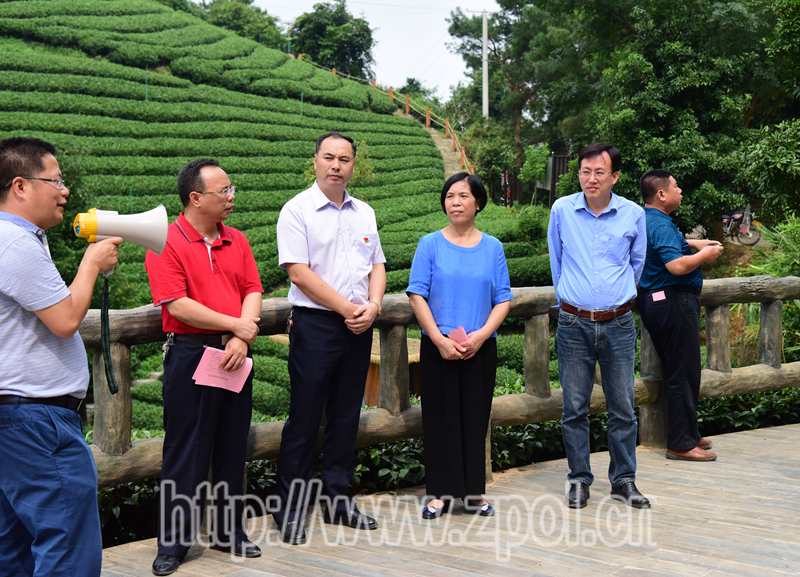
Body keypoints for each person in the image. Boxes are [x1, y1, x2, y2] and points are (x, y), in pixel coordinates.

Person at [0, 137, 121, 577]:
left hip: (16, 419)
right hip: (36, 422)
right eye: (56, 180)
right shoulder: (15, 244)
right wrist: (90, 265)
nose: (65, 190)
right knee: (68, 548)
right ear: (20, 186)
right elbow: (66, 319)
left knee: (12, 549)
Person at [145, 159, 264, 576]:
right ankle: (173, 544)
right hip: (192, 353)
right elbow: (178, 305)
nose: (231, 197)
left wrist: (241, 336)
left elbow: (252, 289)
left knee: (232, 446)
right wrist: (236, 325)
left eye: (231, 189)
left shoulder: (237, 239)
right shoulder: (165, 241)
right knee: (186, 450)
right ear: (195, 198)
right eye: (223, 191)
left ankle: (229, 532)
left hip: (235, 353)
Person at [274, 132, 386, 544]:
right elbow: (298, 272)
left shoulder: (365, 212)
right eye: (328, 157)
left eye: (344, 159)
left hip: (358, 326)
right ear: (316, 161)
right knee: (304, 418)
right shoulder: (296, 210)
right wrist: (348, 309)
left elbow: (377, 265)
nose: (336, 165)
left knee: (345, 416)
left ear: (354, 164)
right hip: (316, 326)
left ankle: (339, 500)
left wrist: (374, 305)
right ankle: (290, 508)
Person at [547, 142, 651, 509]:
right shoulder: (562, 210)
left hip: (618, 323)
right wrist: (571, 299)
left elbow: (637, 264)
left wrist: (615, 297)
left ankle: (624, 480)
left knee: (623, 407)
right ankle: (579, 479)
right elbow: (557, 261)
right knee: (574, 408)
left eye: (599, 172)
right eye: (585, 172)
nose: (591, 179)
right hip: (573, 322)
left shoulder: (633, 214)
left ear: (615, 177)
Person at [407, 173, 513, 519]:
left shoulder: (493, 247)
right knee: (439, 420)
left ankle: (473, 493)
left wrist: (481, 336)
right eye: (450, 195)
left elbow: (503, 299)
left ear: (478, 203)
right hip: (438, 347)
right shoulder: (429, 244)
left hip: (479, 348)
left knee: (475, 419)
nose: (455, 202)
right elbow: (417, 294)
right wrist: (438, 339)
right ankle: (438, 494)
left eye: (463, 196)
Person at [638, 169, 722, 462]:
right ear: (661, 194)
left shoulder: (649, 219)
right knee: (683, 372)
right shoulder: (660, 224)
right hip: (672, 302)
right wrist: (704, 257)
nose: (680, 190)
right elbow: (675, 266)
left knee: (680, 370)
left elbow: (668, 246)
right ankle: (681, 444)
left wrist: (696, 244)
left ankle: (687, 433)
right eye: (676, 186)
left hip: (659, 302)